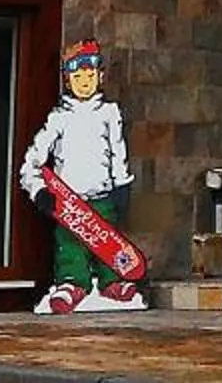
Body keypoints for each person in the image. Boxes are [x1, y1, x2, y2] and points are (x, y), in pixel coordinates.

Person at [18, 39, 142, 313]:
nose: (84, 81)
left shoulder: (110, 114)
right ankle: (72, 283)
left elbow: (118, 153)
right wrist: (39, 191)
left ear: (99, 76)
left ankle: (113, 281)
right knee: (71, 244)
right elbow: (32, 162)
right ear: (67, 79)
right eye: (77, 76)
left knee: (108, 240)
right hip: (69, 202)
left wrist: (122, 186)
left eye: (89, 75)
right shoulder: (58, 119)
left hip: (102, 196)